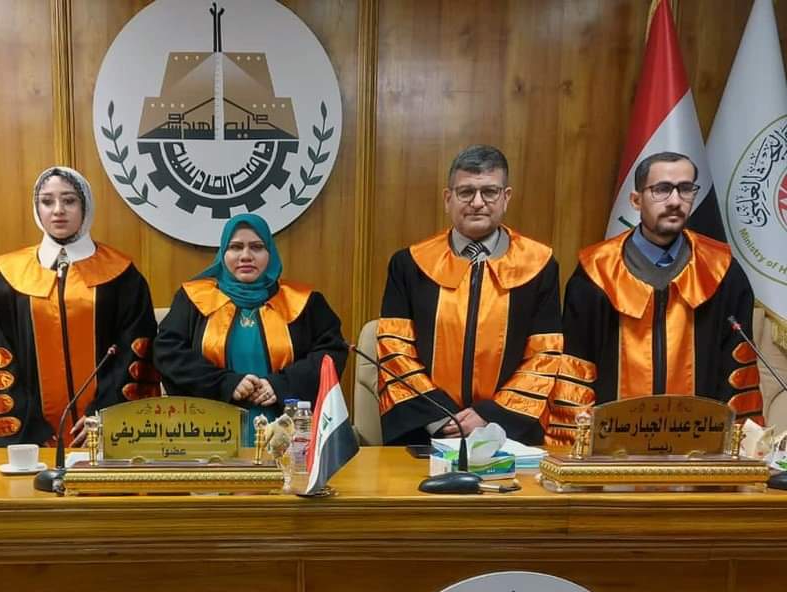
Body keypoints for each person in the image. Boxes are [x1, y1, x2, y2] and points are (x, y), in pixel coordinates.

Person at [548, 151, 763, 442]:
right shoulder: (596, 272)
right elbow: (577, 369)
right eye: (661, 189)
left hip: (698, 452)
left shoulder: (722, 271)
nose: (675, 201)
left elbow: (737, 374)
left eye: (685, 189)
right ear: (636, 200)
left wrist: (736, 448)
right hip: (612, 452)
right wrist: (580, 444)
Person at [378, 145, 562, 446]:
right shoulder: (410, 265)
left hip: (509, 435)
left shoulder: (539, 265)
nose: (477, 203)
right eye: (466, 192)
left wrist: (491, 416)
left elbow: (545, 355)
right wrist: (441, 417)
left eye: (489, 192)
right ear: (447, 199)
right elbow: (394, 350)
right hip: (428, 432)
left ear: (506, 197)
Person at [0, 166, 160, 446]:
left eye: (70, 200)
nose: (58, 210)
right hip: (33, 440)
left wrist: (104, 416)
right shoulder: (9, 280)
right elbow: (1, 359)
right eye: (47, 201)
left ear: (86, 206)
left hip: (105, 437)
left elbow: (133, 357)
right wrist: (32, 431)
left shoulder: (123, 277)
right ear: (36, 208)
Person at [154, 213, 346, 443]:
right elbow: (167, 353)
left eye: (256, 247)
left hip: (289, 433)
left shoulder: (305, 302)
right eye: (236, 247)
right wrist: (225, 384)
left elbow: (332, 353)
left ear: (270, 253)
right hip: (210, 433)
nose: (246, 256)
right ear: (223, 253)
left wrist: (281, 385)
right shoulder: (193, 300)